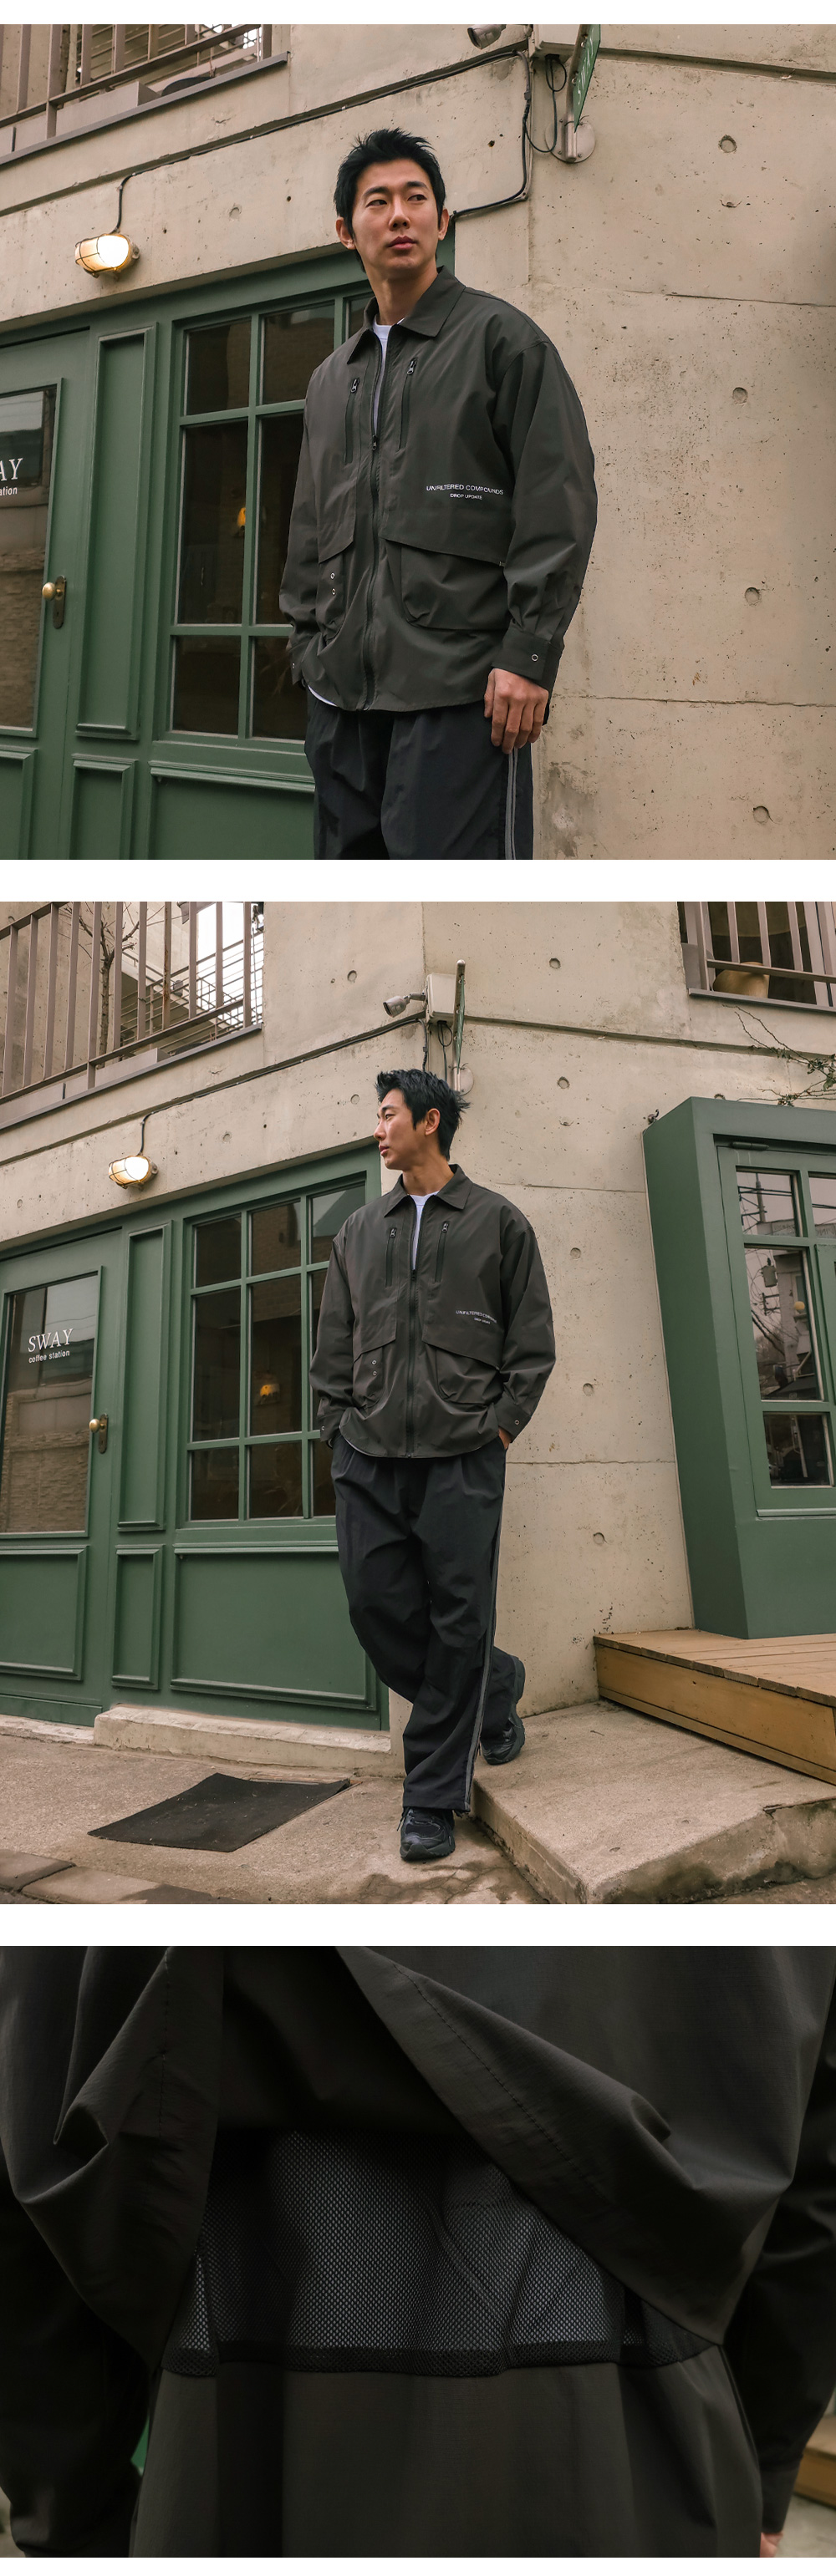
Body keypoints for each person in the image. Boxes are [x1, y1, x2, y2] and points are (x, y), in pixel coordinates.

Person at [2, 1944, 836, 2555]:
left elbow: (35, 2124)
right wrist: (763, 2453)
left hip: (248, 2417)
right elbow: (818, 2176)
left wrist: (71, 2505)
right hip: (641, 2420)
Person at [279, 125, 598, 861]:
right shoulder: (331, 378)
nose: (400, 215)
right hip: (340, 704)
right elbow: (308, 525)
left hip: (459, 696)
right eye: (378, 201)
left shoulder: (503, 342)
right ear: (345, 230)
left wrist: (529, 653)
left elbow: (558, 501)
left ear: (443, 221)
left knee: (454, 894)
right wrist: (306, 645)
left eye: (416, 198)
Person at [309, 1067, 555, 1862]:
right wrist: (336, 1431)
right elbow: (332, 1346)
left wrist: (501, 1429)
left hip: (463, 1456)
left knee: (457, 1617)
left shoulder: (498, 1222)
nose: (377, 1128)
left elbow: (531, 1345)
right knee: (373, 1606)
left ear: (430, 1121)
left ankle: (431, 1796)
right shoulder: (359, 1231)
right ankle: (495, 1684)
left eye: (387, 1114)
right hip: (369, 1454)